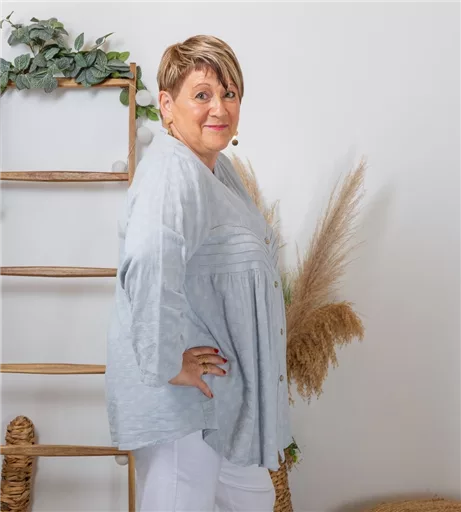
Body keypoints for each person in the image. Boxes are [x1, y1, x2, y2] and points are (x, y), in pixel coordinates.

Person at [105, 35, 292, 511]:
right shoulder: (173, 172)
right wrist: (170, 363)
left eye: (229, 94)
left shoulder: (215, 169)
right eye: (202, 94)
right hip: (186, 409)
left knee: (254, 500)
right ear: (167, 106)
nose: (219, 108)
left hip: (224, 401)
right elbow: (150, 260)